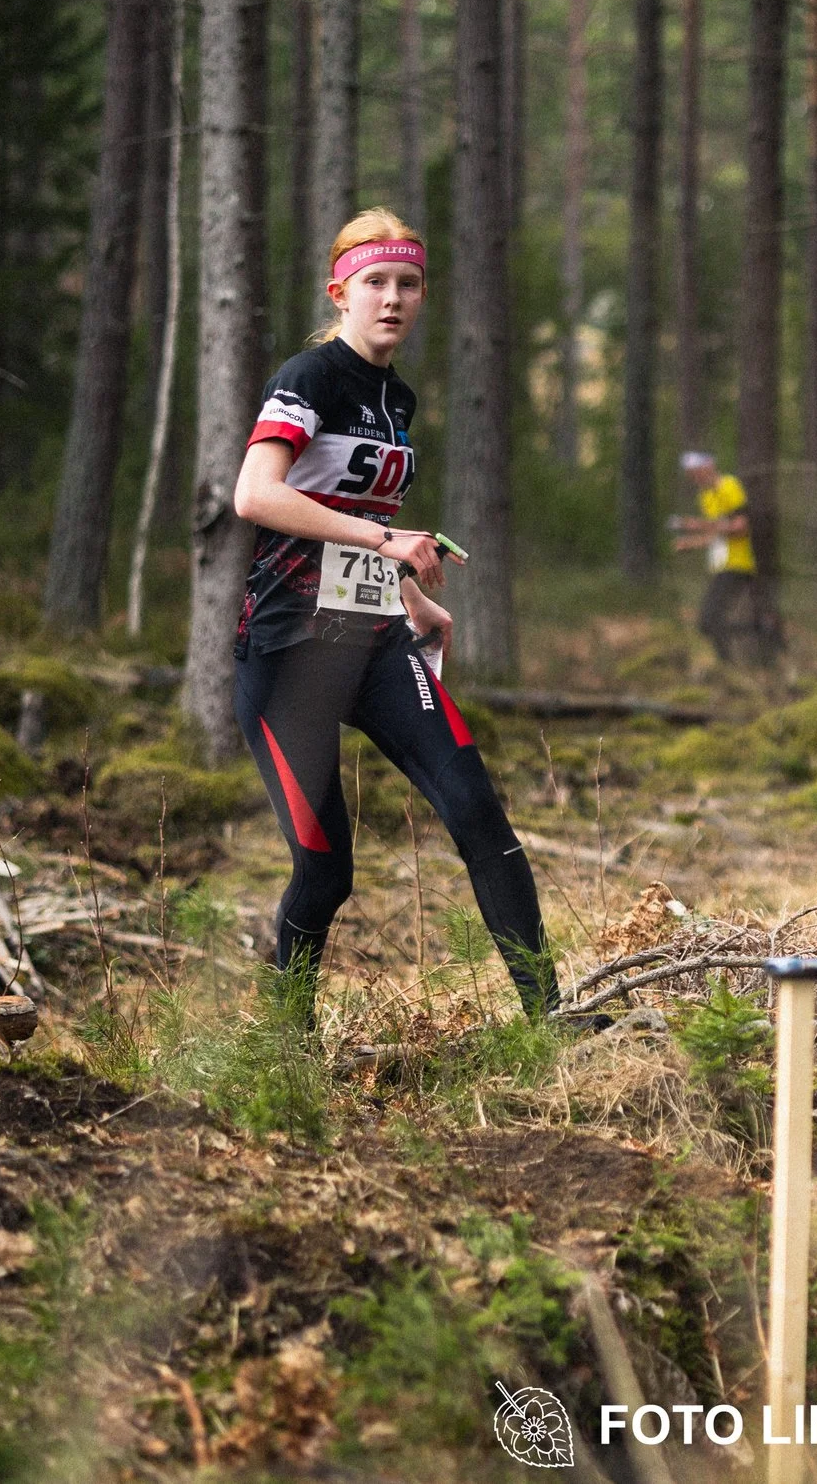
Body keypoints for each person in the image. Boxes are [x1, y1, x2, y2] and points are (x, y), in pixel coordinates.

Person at [230, 208, 561, 1022]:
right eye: (375, 281)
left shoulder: (397, 396)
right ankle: (287, 1046)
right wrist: (389, 539)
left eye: (408, 284)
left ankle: (551, 1022)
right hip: (289, 654)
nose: (392, 298)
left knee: (479, 812)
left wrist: (410, 594)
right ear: (339, 293)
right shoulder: (309, 377)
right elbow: (256, 495)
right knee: (325, 870)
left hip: (375, 644)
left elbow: (356, 512)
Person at [671, 450, 775, 665]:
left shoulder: (728, 486)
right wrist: (690, 543)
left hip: (737, 563)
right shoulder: (705, 497)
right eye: (691, 474)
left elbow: (740, 527)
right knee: (710, 622)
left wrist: (698, 525)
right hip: (721, 564)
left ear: (709, 467)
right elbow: (716, 534)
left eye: (697, 472)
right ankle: (760, 629)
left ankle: (731, 660)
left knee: (708, 620)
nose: (695, 478)